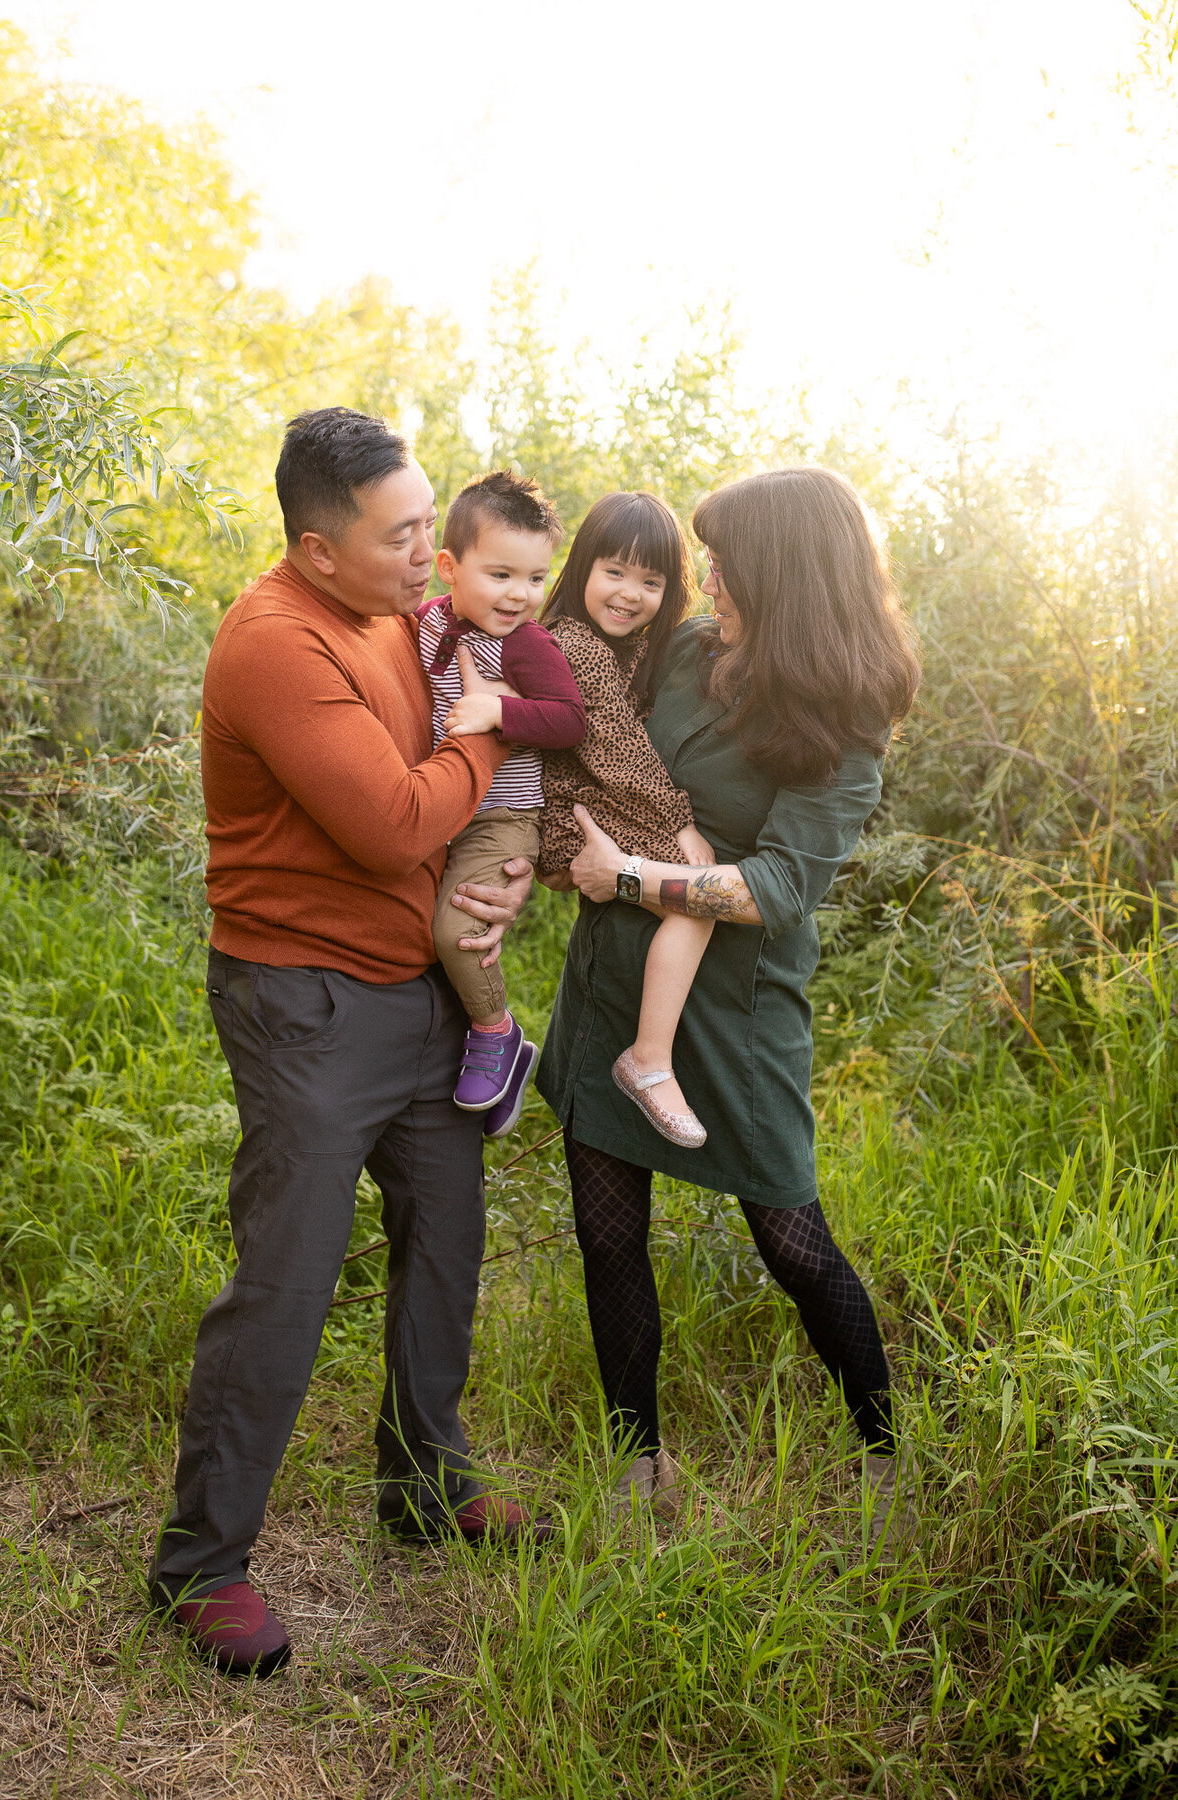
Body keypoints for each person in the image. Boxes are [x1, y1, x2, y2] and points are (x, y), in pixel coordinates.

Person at [149, 408, 550, 1681]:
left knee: (448, 1232)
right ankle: (201, 1565)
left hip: (414, 990)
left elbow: (444, 820)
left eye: (432, 522)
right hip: (304, 1003)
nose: (430, 551)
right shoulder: (275, 643)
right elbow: (391, 822)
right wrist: (490, 734)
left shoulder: (398, 617)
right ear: (321, 549)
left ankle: (424, 1482)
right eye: (403, 535)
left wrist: (502, 877)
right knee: (290, 1275)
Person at [536, 468, 921, 1524]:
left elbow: (783, 887)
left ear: (781, 574)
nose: (704, 577)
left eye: (723, 560)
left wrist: (634, 879)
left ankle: (884, 1447)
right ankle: (636, 1458)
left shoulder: (845, 719)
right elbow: (578, 708)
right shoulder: (689, 650)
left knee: (790, 1233)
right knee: (606, 1230)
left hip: (736, 1005)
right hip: (617, 976)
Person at [536, 492, 717, 1149]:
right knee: (697, 896)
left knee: (691, 895)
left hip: (594, 801)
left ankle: (649, 1056)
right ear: (583, 565)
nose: (629, 593)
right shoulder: (575, 646)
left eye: (651, 580)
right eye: (614, 571)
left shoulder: (631, 645)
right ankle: (649, 1058)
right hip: (574, 812)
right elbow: (618, 751)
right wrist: (679, 825)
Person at [417, 470, 584, 1136]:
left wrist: (500, 709)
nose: (521, 595)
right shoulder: (424, 623)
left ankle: (497, 1034)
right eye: (501, 574)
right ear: (449, 568)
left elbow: (570, 721)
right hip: (440, 806)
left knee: (457, 928)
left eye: (536, 578)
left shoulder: (526, 643)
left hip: (503, 819)